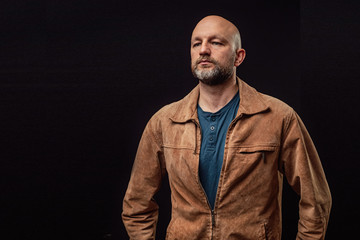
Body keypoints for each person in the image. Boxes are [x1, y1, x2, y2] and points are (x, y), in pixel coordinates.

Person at [122, 15, 331, 239]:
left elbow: (316, 200)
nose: (203, 50)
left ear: (238, 57)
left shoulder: (279, 117)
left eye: (216, 42)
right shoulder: (164, 122)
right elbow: (136, 204)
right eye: (196, 43)